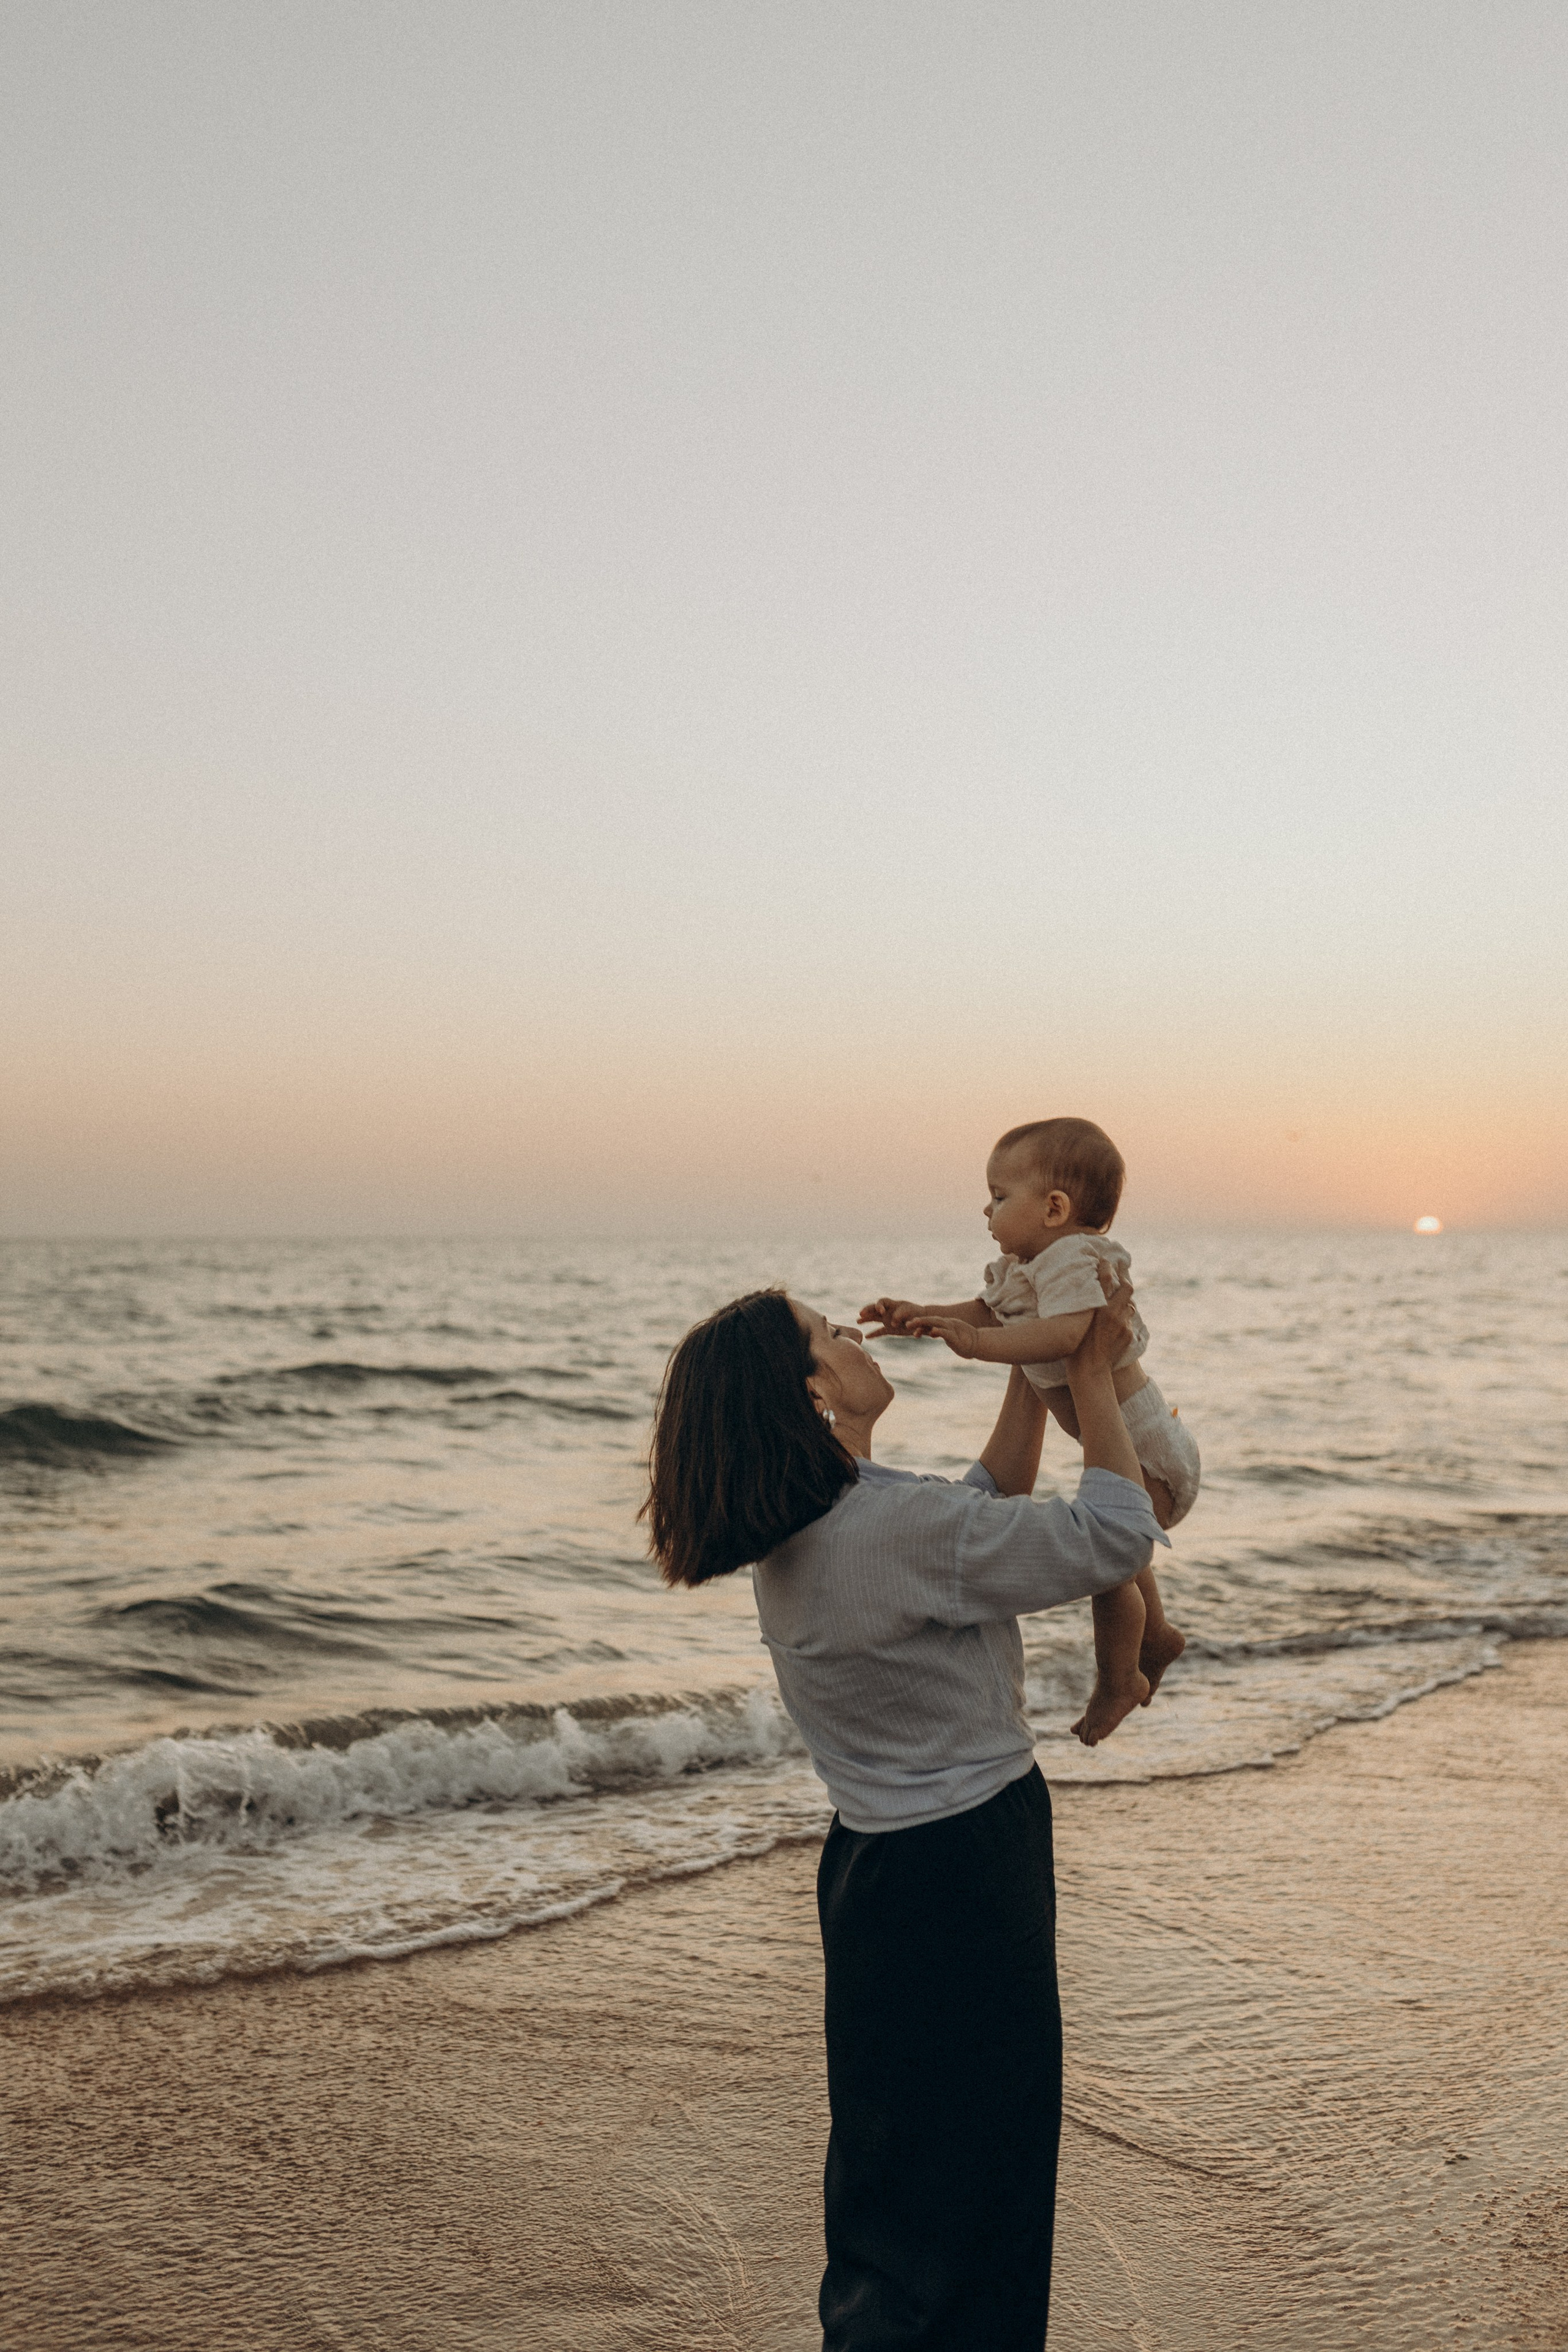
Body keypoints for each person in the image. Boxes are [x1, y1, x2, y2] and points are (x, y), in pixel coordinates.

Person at [641, 1271, 1164, 2350]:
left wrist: (1029, 1365)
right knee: (988, 2173)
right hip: (970, 1866)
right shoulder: (890, 1527)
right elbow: (1115, 1533)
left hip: (873, 1873)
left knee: (896, 2177)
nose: (856, 1335)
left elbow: (975, 1510)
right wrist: (1097, 1372)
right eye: (833, 1332)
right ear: (815, 1388)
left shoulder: (808, 1532)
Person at [860, 1115, 1198, 1746]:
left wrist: (978, 1344)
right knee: (1116, 1554)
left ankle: (1119, 1677)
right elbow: (988, 1310)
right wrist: (921, 1315)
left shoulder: (1073, 1258)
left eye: (997, 1196)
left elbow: (1070, 1336)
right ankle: (1155, 1635)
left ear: (1054, 1208)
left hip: (1150, 1452)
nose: (984, 1211)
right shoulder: (1025, 1269)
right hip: (1128, 1449)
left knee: (1107, 1565)